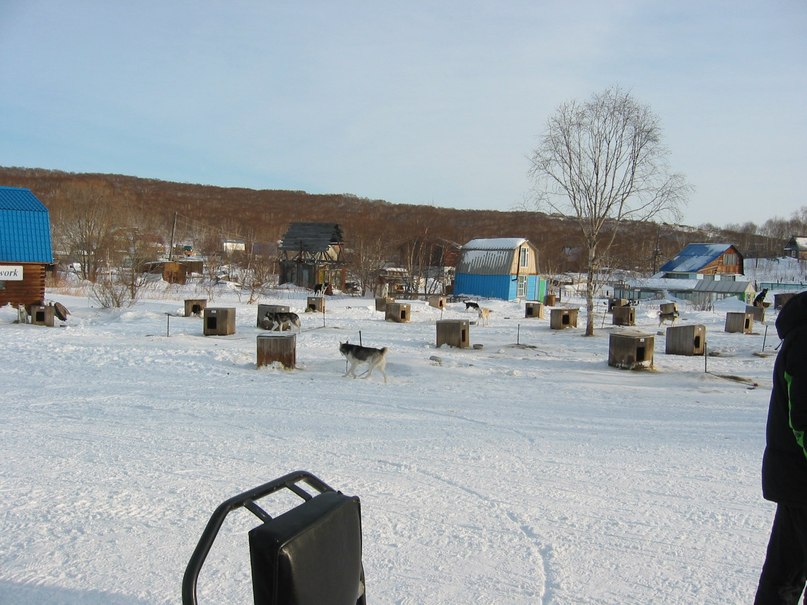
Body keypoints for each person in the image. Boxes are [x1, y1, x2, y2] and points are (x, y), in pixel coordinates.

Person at [756, 291, 807, 603]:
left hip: (795, 480)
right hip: (800, 478)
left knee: (785, 573)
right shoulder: (805, 341)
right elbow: (803, 418)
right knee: (785, 574)